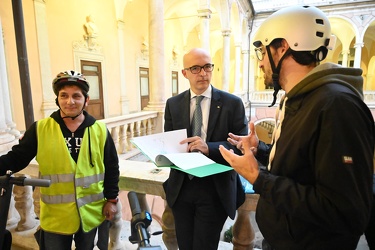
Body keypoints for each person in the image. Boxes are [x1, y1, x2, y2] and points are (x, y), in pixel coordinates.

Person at [219, 5, 375, 250]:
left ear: (283, 47)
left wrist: (258, 178)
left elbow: (345, 211)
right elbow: (300, 164)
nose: (260, 64)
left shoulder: (337, 107)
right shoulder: (299, 97)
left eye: (262, 52)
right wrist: (259, 148)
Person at [0, 70, 120, 250]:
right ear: (57, 99)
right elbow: (16, 158)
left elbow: (111, 166)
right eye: (64, 96)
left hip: (91, 214)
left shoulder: (100, 130)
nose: (70, 101)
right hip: (56, 216)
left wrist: (111, 200)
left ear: (86, 100)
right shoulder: (41, 129)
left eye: (76, 96)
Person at [162, 48, 248, 250]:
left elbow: (240, 146)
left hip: (214, 189)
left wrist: (208, 148)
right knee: (185, 245)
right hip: (182, 188)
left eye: (207, 67)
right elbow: (170, 141)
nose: (203, 73)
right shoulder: (173, 104)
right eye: (195, 68)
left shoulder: (232, 103)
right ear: (184, 73)